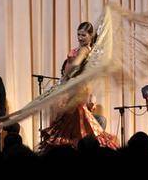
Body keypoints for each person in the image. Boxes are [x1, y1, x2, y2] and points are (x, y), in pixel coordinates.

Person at [40, 22, 118, 151]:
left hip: (76, 90)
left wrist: (67, 76)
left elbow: (76, 65)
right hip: (71, 90)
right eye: (78, 34)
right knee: (70, 126)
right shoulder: (81, 50)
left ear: (90, 36)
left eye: (83, 35)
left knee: (75, 127)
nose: (80, 38)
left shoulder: (84, 50)